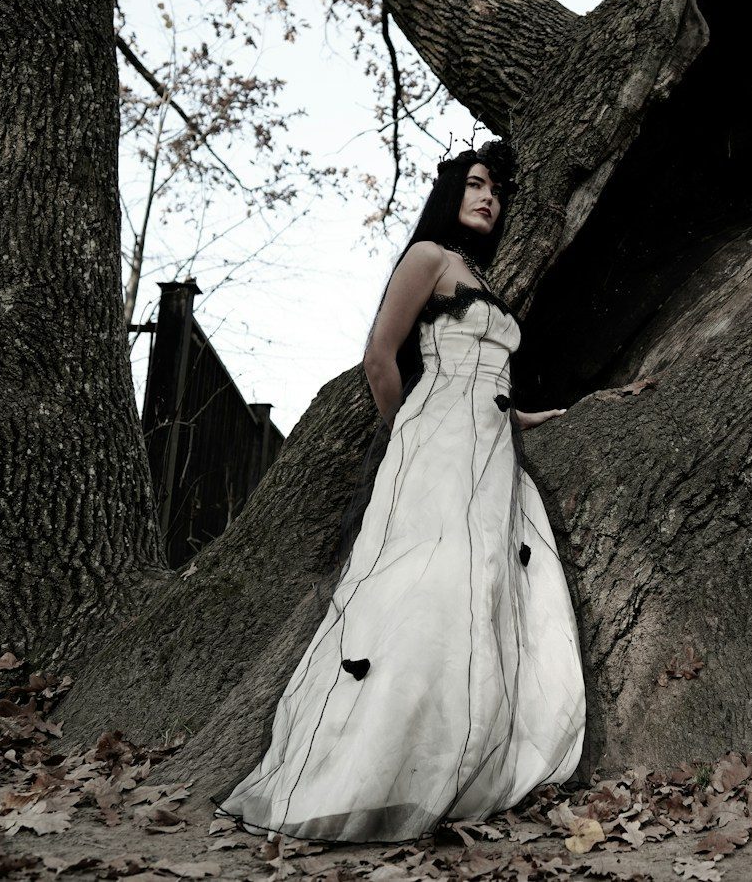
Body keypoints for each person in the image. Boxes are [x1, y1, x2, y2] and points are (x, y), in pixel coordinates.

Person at [215, 139, 586, 843]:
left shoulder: (476, 271)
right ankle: (366, 777)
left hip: (491, 451)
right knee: (422, 591)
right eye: (475, 185)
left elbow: (490, 379)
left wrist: (523, 416)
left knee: (478, 596)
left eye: (496, 191)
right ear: (450, 192)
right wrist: (410, 431)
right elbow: (380, 356)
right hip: (438, 445)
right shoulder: (428, 260)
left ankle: (442, 763)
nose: (488, 199)